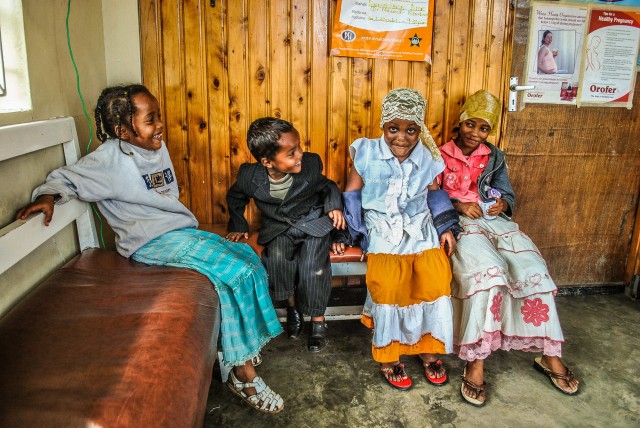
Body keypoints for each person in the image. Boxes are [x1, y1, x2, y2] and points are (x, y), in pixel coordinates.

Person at [15, 84, 285, 415]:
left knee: (247, 257)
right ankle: (242, 374)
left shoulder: (155, 147)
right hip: (148, 242)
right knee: (236, 274)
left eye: (158, 117)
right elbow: (66, 179)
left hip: (178, 233)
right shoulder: (109, 160)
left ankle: (238, 343)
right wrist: (47, 195)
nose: (159, 126)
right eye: (150, 119)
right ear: (122, 130)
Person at [439, 89, 580, 407]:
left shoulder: (494, 156)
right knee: (489, 273)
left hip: (496, 223)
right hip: (460, 224)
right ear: (460, 123)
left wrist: (503, 201)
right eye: (470, 125)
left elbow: (507, 194)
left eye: (484, 128)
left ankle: (549, 355)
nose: (476, 133)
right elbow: (428, 194)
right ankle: (476, 359)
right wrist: (458, 205)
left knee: (534, 270)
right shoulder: (439, 153)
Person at [343, 88, 459, 390]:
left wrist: (446, 227)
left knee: (435, 279)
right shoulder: (365, 151)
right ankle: (390, 356)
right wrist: (356, 233)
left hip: (419, 224)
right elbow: (352, 193)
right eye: (393, 128)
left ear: (419, 130)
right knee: (390, 284)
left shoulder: (429, 158)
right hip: (380, 225)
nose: (402, 137)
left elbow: (434, 194)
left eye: (410, 130)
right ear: (383, 126)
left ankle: (427, 349)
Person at [226, 117, 346, 353]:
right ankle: (292, 308)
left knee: (313, 265)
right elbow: (235, 197)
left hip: (313, 225)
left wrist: (334, 205)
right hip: (279, 227)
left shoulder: (311, 164)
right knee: (277, 260)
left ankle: (318, 322)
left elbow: (327, 185)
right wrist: (239, 224)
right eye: (291, 153)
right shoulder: (250, 177)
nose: (300, 153)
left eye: (299, 146)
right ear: (267, 162)